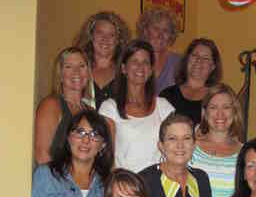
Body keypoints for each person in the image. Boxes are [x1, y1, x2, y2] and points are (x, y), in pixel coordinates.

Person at [99, 39, 175, 173]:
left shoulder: (164, 107)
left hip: (159, 181)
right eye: (134, 62)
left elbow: (173, 151)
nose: (140, 67)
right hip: (124, 183)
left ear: (151, 70)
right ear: (123, 68)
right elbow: (107, 159)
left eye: (145, 62)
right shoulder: (109, 109)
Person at [34, 46, 95, 164]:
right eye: (69, 67)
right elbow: (42, 155)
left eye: (81, 66)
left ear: (88, 73)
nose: (76, 72)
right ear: (60, 75)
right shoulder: (51, 105)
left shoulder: (91, 111)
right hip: (54, 175)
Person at [159, 38, 222, 128]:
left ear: (213, 66)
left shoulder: (218, 97)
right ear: (187, 60)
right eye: (195, 55)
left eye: (206, 58)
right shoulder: (167, 95)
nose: (199, 60)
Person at [75, 11, 132, 109]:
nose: (105, 39)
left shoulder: (127, 72)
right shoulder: (77, 70)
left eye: (111, 35)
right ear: (91, 36)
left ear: (118, 40)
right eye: (100, 33)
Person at [136, 8, 181, 95]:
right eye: (156, 29)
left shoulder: (179, 62)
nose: (160, 35)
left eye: (165, 30)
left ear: (171, 35)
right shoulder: (133, 58)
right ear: (145, 31)